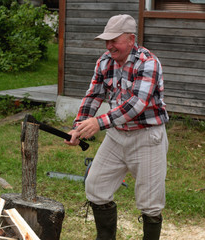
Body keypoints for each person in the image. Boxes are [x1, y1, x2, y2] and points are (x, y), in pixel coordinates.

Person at [64, 14, 169, 240]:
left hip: (147, 136)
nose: (109, 46)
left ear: (131, 39)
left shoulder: (148, 62)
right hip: (116, 135)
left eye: (115, 40)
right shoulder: (104, 61)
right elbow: (93, 95)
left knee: (150, 203)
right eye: (106, 40)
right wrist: (78, 127)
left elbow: (137, 104)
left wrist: (99, 122)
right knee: (95, 187)